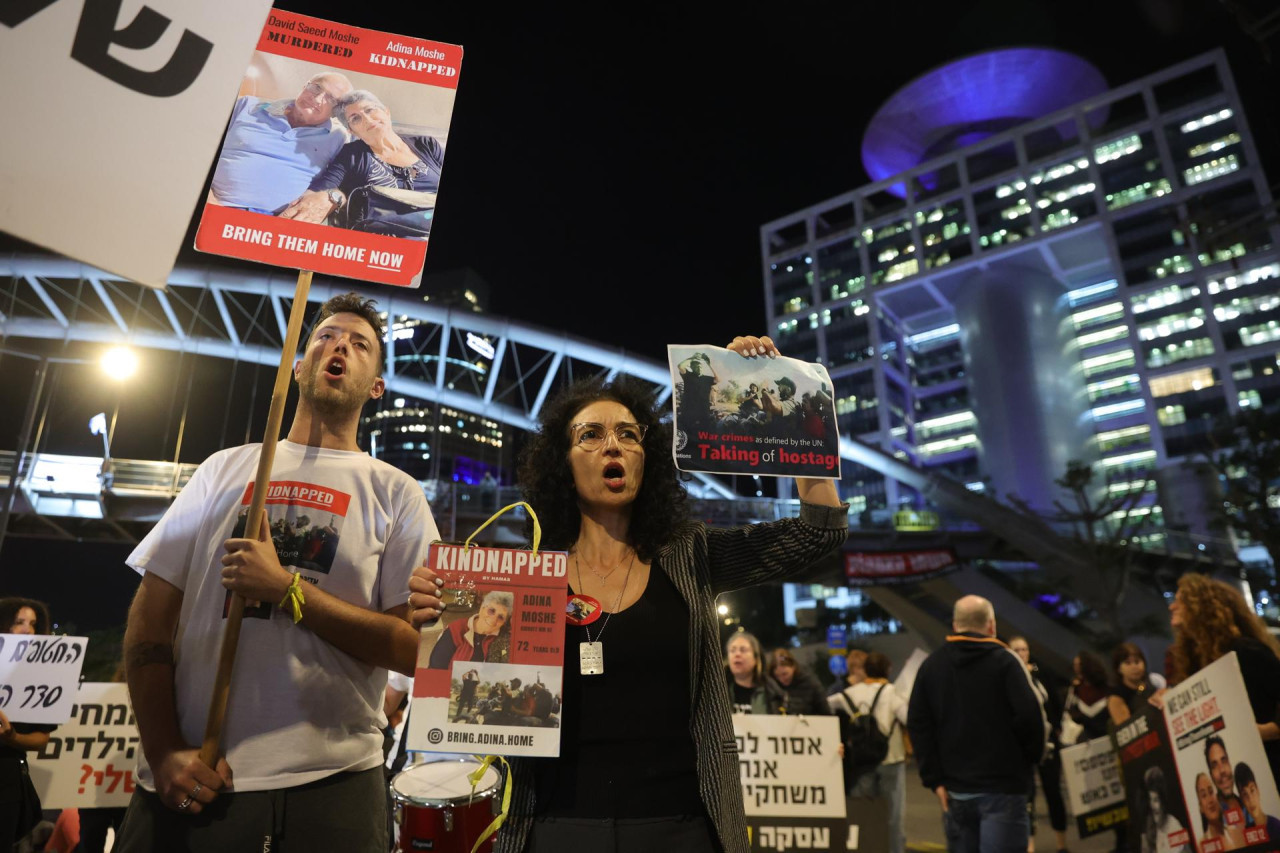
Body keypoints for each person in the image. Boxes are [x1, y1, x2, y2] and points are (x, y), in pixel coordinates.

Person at [407, 334, 847, 852]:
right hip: (553, 830)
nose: (611, 445)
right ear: (563, 463)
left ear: (648, 459)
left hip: (681, 829)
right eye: (589, 435)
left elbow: (819, 531)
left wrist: (784, 400)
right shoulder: (520, 578)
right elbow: (464, 693)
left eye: (628, 435)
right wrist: (438, 617)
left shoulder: (691, 555)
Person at [113, 293, 441, 853]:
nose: (340, 345)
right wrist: (164, 749)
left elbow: (418, 653)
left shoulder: (396, 492)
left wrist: (287, 589)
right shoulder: (222, 469)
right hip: (199, 777)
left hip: (335, 785)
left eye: (360, 344)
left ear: (377, 387)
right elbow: (150, 619)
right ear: (298, 363)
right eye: (325, 336)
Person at [907, 595, 1047, 853]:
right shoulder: (1006, 662)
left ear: (955, 624)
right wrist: (1030, 761)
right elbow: (1030, 716)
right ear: (991, 626)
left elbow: (918, 724)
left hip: (954, 792)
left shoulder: (932, 666)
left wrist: (934, 779)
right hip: (1004, 788)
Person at [279, 90, 445, 237]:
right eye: (356, 118)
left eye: (370, 110)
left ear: (386, 112)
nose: (367, 119)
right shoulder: (352, 154)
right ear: (351, 130)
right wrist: (325, 197)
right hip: (388, 243)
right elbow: (323, 187)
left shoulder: (426, 144)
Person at [1165, 573, 1280, 782]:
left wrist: (1269, 731)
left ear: (1200, 607)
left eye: (1180, 601)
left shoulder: (1245, 651)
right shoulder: (1196, 663)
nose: (1171, 607)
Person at [209, 73, 353, 214]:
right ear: (305, 86)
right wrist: (206, 199)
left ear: (336, 112)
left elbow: (348, 185)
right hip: (216, 205)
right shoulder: (246, 105)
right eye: (316, 88)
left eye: (331, 99)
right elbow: (198, 148)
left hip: (280, 222)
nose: (317, 98)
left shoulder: (338, 137)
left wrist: (331, 198)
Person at [831, 651, 908, 853]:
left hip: (862, 763)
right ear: (887, 670)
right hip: (891, 759)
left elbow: (824, 706)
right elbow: (908, 717)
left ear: (865, 670)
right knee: (892, 818)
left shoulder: (849, 694)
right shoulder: (891, 691)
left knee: (862, 814)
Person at [0, 598, 55, 849]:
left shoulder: (41, 681)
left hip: (7, 783)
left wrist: (11, 737)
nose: (27, 629)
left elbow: (41, 740)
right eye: (18, 622)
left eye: (32, 623)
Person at [1008, 636, 1068, 853]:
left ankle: (1061, 843)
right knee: (1027, 795)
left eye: (1024, 649)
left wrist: (1057, 725)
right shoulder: (1008, 676)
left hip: (1048, 743)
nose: (1022, 653)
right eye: (1017, 649)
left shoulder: (1042, 674)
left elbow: (1056, 702)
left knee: (1053, 792)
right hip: (1022, 747)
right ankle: (1029, 845)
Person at [426, 590, 513, 668]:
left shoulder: (505, 638)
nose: (494, 620)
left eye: (501, 617)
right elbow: (435, 667)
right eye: (491, 611)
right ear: (482, 608)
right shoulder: (457, 629)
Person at [726, 632, 786, 714]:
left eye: (743, 650)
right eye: (732, 650)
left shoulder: (773, 693)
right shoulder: (715, 691)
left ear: (756, 659)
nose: (737, 654)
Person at [1139, 765, 1190, 853]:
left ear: (1162, 802)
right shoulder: (1149, 829)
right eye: (1150, 800)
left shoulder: (1174, 825)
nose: (1152, 806)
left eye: (1156, 800)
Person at [1062, 651, 1110, 744]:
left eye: (1079, 664)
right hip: (1085, 738)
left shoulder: (1105, 688)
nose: (1076, 668)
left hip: (1105, 733)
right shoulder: (1076, 689)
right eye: (1075, 665)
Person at [1108, 642, 1161, 727]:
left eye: (1137, 662)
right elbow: (1125, 727)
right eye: (1127, 663)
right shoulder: (1116, 696)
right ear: (1118, 668)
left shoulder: (1149, 683)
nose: (1134, 667)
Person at [768, 648, 830, 716]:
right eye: (777, 676)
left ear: (793, 667)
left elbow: (825, 711)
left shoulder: (810, 683)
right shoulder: (772, 685)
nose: (781, 679)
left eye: (785, 674)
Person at [1203, 737, 1249, 830]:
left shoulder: (1248, 805)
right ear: (1211, 775)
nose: (1222, 770)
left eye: (1224, 761)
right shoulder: (1212, 819)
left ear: (1230, 764)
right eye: (1214, 765)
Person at [1195, 772, 1245, 849]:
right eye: (1204, 795)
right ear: (1201, 807)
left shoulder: (1237, 834)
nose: (1210, 800)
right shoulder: (1200, 848)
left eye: (1211, 792)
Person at [1235, 762, 1280, 842]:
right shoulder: (1246, 834)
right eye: (1245, 794)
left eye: (1252, 790)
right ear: (1241, 799)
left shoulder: (1276, 826)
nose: (1250, 799)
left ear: (1258, 790)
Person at [675, 352, 719, 432]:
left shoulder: (707, 378)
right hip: (688, 409)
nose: (699, 367)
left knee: (704, 431)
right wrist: (692, 357)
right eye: (696, 366)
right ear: (691, 367)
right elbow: (680, 366)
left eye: (700, 366)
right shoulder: (688, 375)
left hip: (703, 409)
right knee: (687, 431)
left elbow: (718, 379)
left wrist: (709, 364)